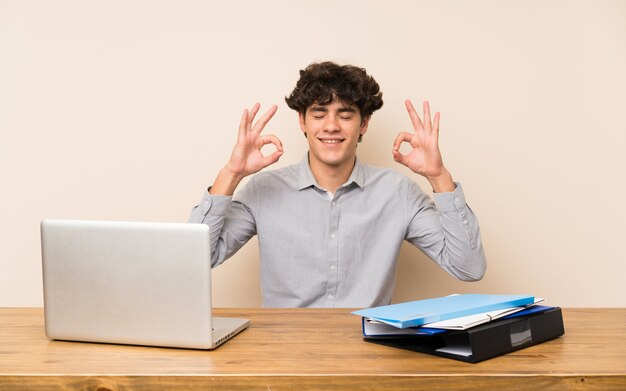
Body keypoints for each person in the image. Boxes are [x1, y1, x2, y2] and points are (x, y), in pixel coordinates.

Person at [189, 61, 486, 308]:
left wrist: (438, 176)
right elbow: (194, 260)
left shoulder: (397, 193)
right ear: (302, 122)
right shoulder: (264, 189)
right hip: (285, 356)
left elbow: (469, 267)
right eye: (319, 114)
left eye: (345, 115)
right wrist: (231, 173)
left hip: (369, 355)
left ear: (364, 123)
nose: (331, 126)